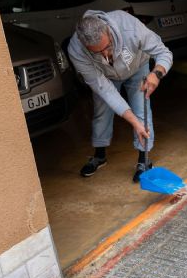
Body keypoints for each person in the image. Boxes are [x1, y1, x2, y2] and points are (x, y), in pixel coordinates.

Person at [68, 10, 173, 182]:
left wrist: (157, 74)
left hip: (138, 67)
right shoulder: (76, 49)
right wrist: (132, 122)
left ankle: (143, 160)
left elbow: (164, 53)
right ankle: (100, 156)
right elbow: (105, 91)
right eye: (96, 52)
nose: (105, 55)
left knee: (141, 109)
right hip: (105, 77)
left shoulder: (130, 27)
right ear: (82, 43)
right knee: (102, 112)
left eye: (106, 47)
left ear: (108, 31)